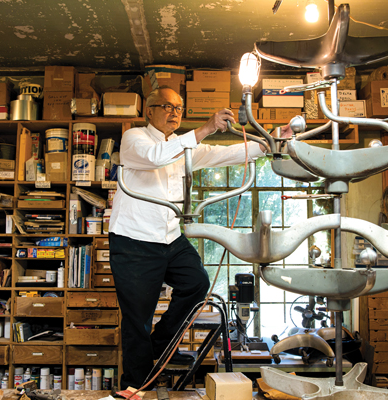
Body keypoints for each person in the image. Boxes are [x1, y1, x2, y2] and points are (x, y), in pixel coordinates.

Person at [108, 86, 288, 390]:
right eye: (166, 106)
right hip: (133, 242)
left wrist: (269, 141)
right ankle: (136, 388)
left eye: (178, 108)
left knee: (196, 283)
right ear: (149, 111)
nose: (174, 112)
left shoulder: (184, 147)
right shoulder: (134, 138)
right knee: (137, 319)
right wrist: (205, 128)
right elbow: (155, 157)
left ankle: (159, 344)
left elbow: (226, 153)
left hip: (170, 237)